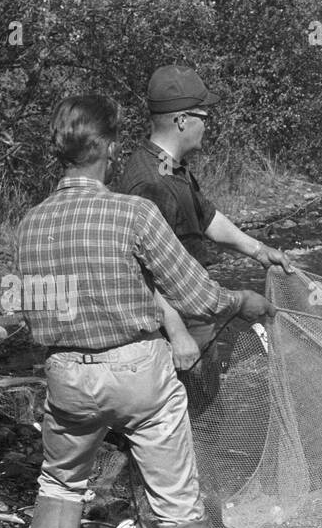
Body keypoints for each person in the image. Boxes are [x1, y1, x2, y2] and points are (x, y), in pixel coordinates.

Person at [8, 94, 273, 528]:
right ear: (105, 148)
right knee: (176, 502)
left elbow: (34, 317)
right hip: (137, 375)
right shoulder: (133, 214)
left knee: (58, 489)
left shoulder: (29, 224)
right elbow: (198, 300)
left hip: (66, 377)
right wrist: (244, 300)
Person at [113, 65, 294, 363]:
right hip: (175, 327)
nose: (208, 125)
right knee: (188, 406)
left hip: (194, 312)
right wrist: (176, 332)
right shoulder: (149, 182)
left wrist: (259, 251)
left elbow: (208, 218)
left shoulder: (171, 166)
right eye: (204, 117)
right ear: (182, 120)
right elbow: (139, 271)